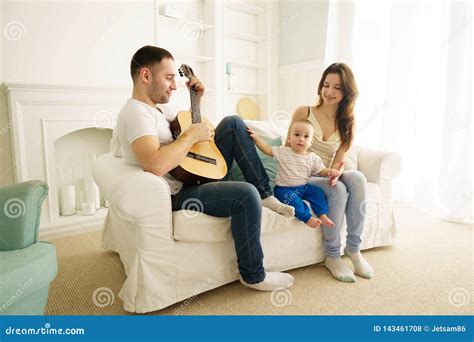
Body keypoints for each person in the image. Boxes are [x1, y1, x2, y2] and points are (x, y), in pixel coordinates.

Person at [114, 45, 295, 291]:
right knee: (245, 195)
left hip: (194, 174)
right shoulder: (136, 113)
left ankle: (266, 194)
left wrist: (196, 103)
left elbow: (193, 143)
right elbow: (155, 165)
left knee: (232, 123)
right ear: (146, 76)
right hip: (179, 193)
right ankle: (253, 275)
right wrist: (190, 136)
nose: (174, 85)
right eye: (168, 78)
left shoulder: (160, 110)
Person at [289, 62, 374, 283]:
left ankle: (354, 249)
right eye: (326, 85)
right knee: (338, 190)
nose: (329, 92)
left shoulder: (349, 122)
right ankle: (333, 255)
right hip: (302, 173)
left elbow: (338, 160)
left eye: (337, 87)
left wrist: (337, 171)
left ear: (347, 92)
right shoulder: (304, 112)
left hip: (324, 171)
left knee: (357, 177)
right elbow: (290, 150)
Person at [248, 119, 342, 229]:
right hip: (284, 189)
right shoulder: (283, 151)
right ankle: (307, 218)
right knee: (294, 201)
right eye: (297, 135)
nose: (301, 139)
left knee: (318, 193)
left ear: (311, 142)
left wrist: (331, 172)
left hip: (303, 187)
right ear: (289, 138)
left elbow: (322, 171)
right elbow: (267, 149)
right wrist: (256, 138)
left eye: (306, 136)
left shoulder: (312, 158)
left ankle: (322, 214)